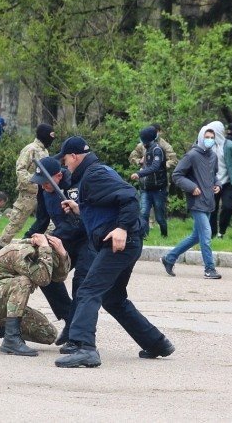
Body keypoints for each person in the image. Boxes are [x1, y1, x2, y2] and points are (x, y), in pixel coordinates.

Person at [52, 137, 175, 368]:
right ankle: (157, 343)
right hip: (124, 242)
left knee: (88, 289)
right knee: (113, 298)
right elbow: (107, 205)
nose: (64, 163)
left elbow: (129, 196)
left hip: (119, 243)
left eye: (65, 158)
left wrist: (122, 228)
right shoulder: (92, 175)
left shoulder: (94, 174)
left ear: (75, 156)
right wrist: (80, 209)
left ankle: (84, 347)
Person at [25, 156, 93, 352]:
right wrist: (27, 238)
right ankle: (69, 317)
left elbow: (77, 223)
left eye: (46, 182)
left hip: (86, 240)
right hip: (64, 239)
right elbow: (42, 220)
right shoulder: (44, 190)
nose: (43, 186)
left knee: (80, 283)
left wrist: (50, 238)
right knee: (45, 273)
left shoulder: (75, 188)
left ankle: (78, 331)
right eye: (40, 183)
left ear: (59, 175)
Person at [0, 234, 70, 356]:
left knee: (48, 334)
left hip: (2, 304)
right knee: (23, 282)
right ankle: (11, 340)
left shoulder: (43, 252)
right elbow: (43, 279)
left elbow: (59, 277)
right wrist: (45, 247)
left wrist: (62, 253)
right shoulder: (21, 252)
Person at [161, 123, 223, 279]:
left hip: (209, 201)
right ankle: (209, 269)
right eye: (206, 137)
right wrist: (191, 186)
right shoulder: (192, 155)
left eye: (212, 138)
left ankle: (169, 258)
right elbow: (177, 175)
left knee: (197, 236)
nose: (209, 140)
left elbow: (214, 175)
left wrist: (218, 184)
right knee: (206, 234)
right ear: (200, 138)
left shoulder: (213, 156)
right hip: (196, 201)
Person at [0, 123, 55, 258]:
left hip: (43, 194)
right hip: (28, 195)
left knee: (50, 224)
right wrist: (35, 181)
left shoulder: (45, 151)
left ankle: (38, 249)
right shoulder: (30, 149)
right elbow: (20, 170)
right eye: (50, 137)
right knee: (16, 223)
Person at [206, 122, 232, 238]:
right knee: (212, 209)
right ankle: (212, 234)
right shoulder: (207, 146)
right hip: (212, 182)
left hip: (228, 182)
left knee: (228, 207)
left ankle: (221, 231)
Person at [130, 126, 169, 238]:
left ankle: (164, 235)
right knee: (144, 213)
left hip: (158, 188)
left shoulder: (157, 149)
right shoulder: (146, 149)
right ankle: (144, 236)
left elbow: (155, 167)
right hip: (145, 188)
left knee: (160, 217)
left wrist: (139, 173)